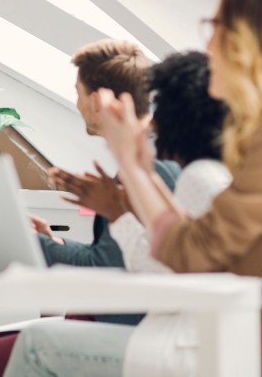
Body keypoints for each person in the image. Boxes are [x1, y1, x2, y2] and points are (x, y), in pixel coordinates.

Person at [94, 0, 262, 376]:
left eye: (216, 28)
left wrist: (130, 165)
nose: (208, 45)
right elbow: (201, 248)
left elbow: (194, 254)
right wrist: (141, 170)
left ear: (251, 42)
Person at [3, 50, 231, 377]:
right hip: (173, 334)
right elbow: (157, 260)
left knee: (35, 343)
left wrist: (33, 244)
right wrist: (100, 219)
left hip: (173, 342)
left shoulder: (186, 175)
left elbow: (125, 268)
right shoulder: (185, 172)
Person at [37, 39, 179, 325]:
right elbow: (119, 255)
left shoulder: (147, 168)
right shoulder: (154, 155)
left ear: (95, 100)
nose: (77, 103)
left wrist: (32, 244)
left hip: (136, 334)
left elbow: (104, 268)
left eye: (78, 92)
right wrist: (56, 241)